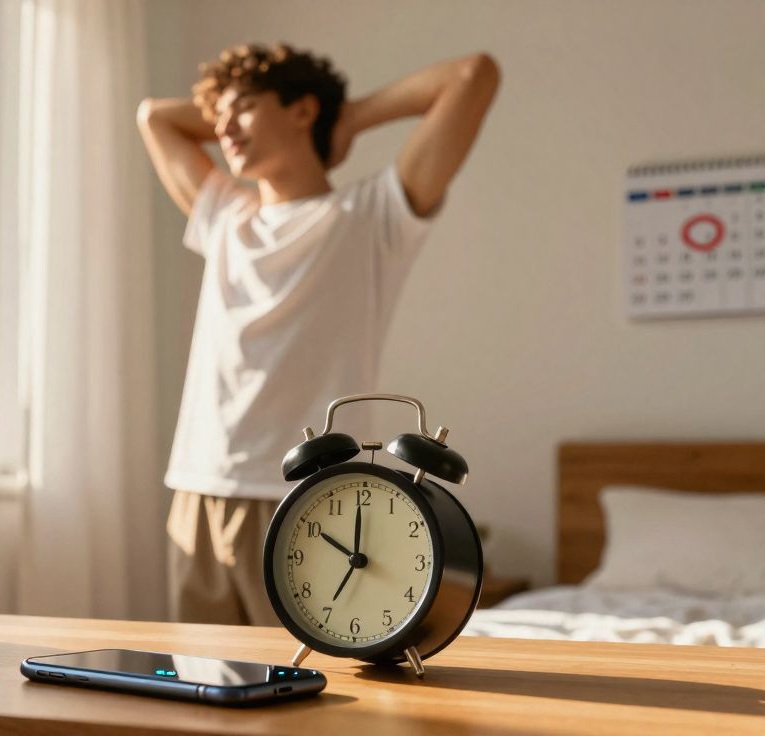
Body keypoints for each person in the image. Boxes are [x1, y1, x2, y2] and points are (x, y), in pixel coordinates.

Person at [136, 43, 500, 625]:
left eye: (246, 107)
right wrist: (242, 110)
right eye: (218, 116)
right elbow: (153, 115)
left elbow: (471, 74)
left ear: (304, 111)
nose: (223, 127)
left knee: (307, 695)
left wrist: (347, 115)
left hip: (306, 494)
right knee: (201, 695)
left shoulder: (373, 214)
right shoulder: (226, 218)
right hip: (199, 487)